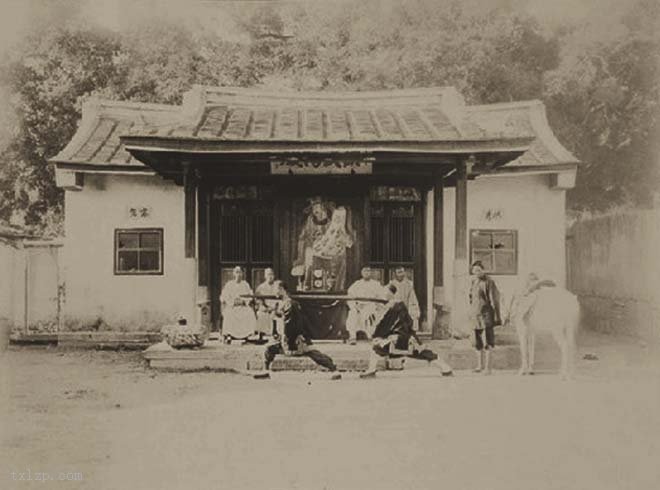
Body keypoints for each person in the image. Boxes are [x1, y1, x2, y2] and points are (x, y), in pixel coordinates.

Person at [360, 283, 453, 378]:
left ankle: (446, 368)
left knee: (421, 352)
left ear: (390, 294)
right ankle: (446, 368)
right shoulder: (393, 306)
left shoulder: (396, 306)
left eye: (385, 293)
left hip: (401, 337)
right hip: (401, 336)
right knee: (422, 353)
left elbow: (389, 324)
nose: (383, 295)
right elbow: (386, 324)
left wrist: (379, 335)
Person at [260, 281, 341, 379]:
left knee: (313, 353)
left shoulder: (290, 304)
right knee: (268, 349)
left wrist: (288, 339)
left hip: (295, 338)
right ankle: (265, 371)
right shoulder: (282, 304)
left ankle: (334, 369)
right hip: (285, 338)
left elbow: (290, 324)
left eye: (276, 290)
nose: (274, 292)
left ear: (282, 289)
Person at [468, 260, 501, 374]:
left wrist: (496, 315)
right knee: (477, 343)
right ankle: (479, 366)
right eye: (474, 270)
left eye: (479, 270)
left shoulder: (489, 282)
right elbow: (471, 299)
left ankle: (488, 368)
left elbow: (494, 300)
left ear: (483, 270)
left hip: (486, 315)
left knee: (488, 342)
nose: (477, 272)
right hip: (475, 316)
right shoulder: (473, 282)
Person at [346, 266, 387, 343]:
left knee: (370, 314)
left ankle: (371, 335)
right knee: (352, 313)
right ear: (362, 273)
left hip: (371, 306)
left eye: (368, 271)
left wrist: (377, 305)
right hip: (359, 306)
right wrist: (355, 306)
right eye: (365, 271)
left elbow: (381, 297)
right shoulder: (357, 284)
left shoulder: (376, 284)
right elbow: (350, 296)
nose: (367, 273)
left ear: (371, 272)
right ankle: (352, 336)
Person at [220, 266, 257, 343]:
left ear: (242, 274)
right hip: (232, 306)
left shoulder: (245, 284)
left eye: (240, 272)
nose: (238, 274)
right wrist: (232, 302)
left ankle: (246, 334)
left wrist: (244, 301)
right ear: (233, 274)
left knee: (250, 313)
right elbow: (224, 296)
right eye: (236, 272)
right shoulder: (229, 284)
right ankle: (229, 334)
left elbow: (250, 295)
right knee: (229, 314)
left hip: (243, 306)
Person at [255, 268, 280, 337]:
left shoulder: (277, 286)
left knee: (275, 315)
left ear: (274, 276)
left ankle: (275, 333)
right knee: (261, 314)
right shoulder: (261, 287)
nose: (270, 276)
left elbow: (280, 299)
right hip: (265, 308)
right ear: (265, 276)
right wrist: (265, 307)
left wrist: (274, 307)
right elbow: (258, 300)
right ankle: (262, 333)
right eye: (268, 274)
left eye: (272, 274)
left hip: (275, 307)